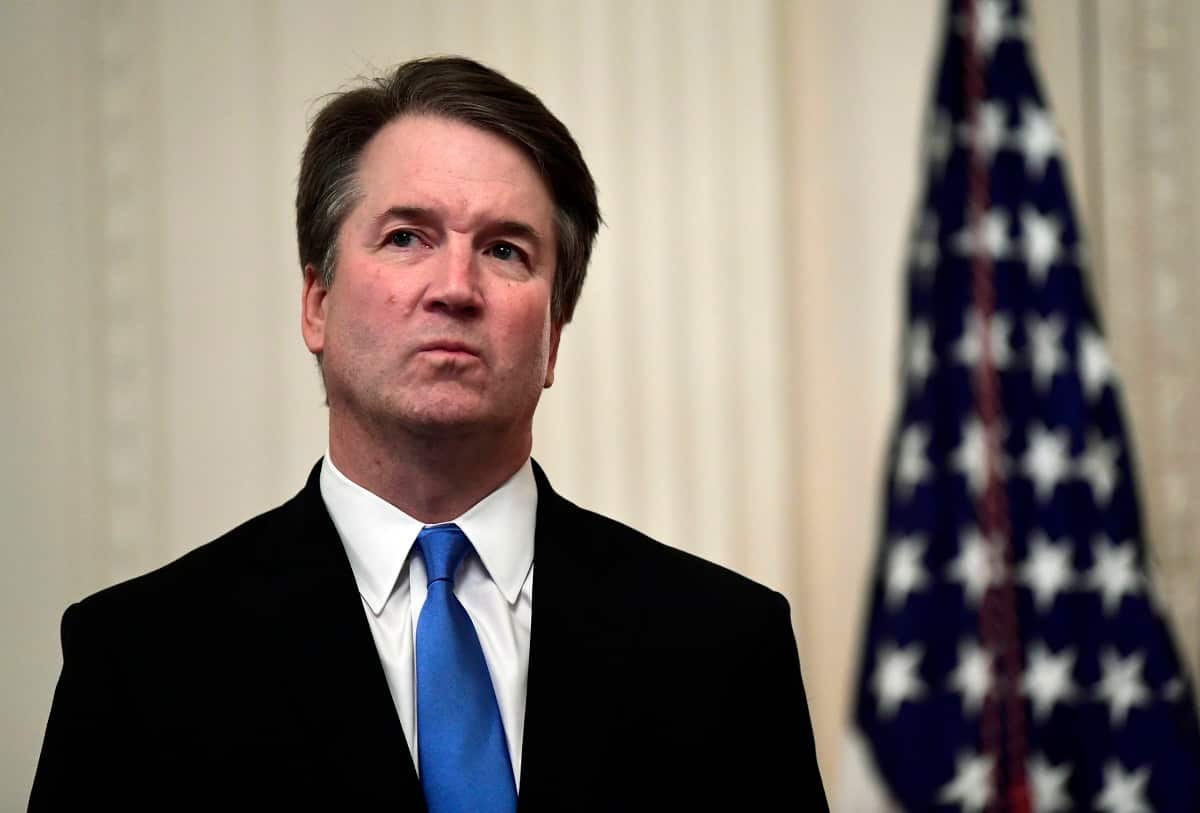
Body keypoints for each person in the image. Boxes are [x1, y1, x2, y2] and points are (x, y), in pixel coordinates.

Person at [29, 56, 827, 810]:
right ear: (317, 302)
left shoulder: (724, 646)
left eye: (505, 250)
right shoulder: (139, 660)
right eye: (406, 236)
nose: (455, 288)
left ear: (553, 332)